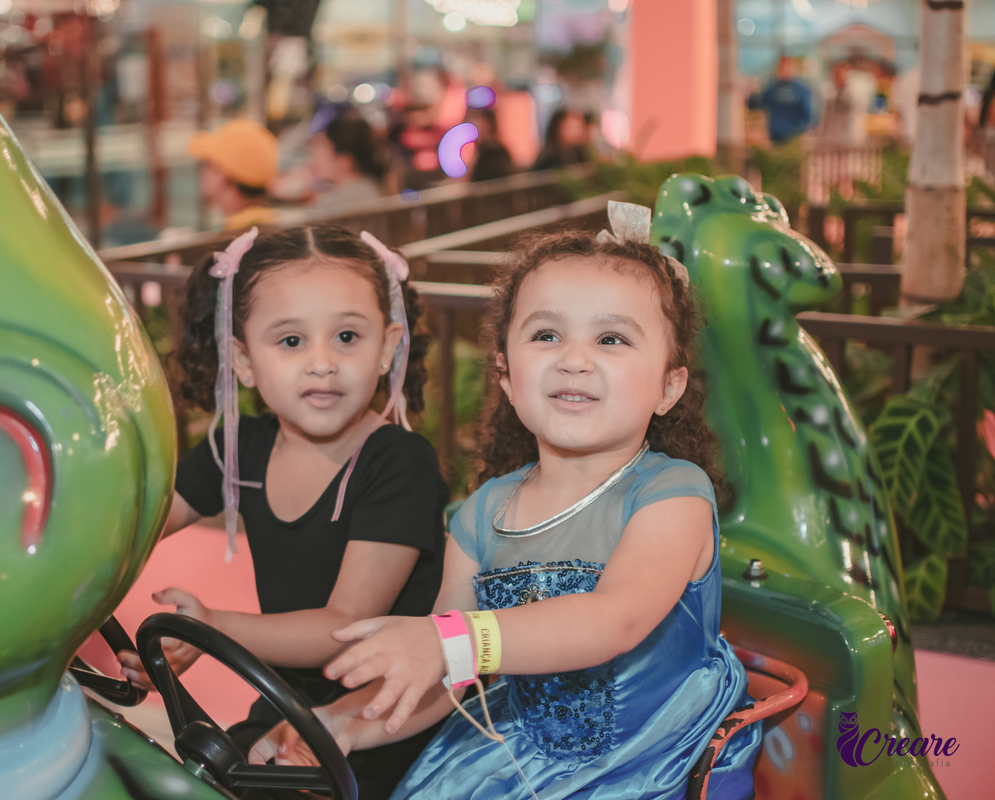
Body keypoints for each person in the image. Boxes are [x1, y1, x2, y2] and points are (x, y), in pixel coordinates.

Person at [250, 208, 763, 799]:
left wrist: (456, 640)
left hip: (650, 760)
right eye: (547, 335)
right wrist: (341, 723)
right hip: (526, 758)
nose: (574, 358)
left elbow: (613, 619)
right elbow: (446, 675)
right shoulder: (483, 514)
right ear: (506, 376)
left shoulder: (672, 493)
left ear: (669, 386)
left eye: (611, 339)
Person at [116, 224, 451, 800]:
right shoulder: (239, 446)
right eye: (291, 342)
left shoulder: (398, 462)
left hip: (383, 720)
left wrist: (213, 628)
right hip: (285, 703)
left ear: (388, 347)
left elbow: (343, 625)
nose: (322, 363)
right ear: (244, 360)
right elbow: (129, 529)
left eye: (347, 336)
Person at [189, 118, 280, 230]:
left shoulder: (234, 241)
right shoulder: (271, 227)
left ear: (222, 173)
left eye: (206, 164)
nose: (202, 173)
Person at [309, 112, 386, 210]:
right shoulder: (371, 187)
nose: (315, 154)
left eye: (323, 146)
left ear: (344, 161)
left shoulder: (333, 205)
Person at [748, 56, 815, 144]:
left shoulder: (800, 89)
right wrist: (753, 96)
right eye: (782, 68)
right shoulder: (771, 88)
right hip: (776, 135)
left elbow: (807, 114)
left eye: (786, 68)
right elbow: (756, 104)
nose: (784, 71)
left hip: (795, 135)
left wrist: (802, 129)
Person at [464, 107, 514, 183]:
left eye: (478, 118)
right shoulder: (480, 149)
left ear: (489, 122)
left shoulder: (495, 151)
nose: (475, 123)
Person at [531, 107, 588, 171]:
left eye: (579, 127)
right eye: (572, 128)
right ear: (558, 128)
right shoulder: (550, 158)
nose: (577, 133)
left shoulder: (583, 155)